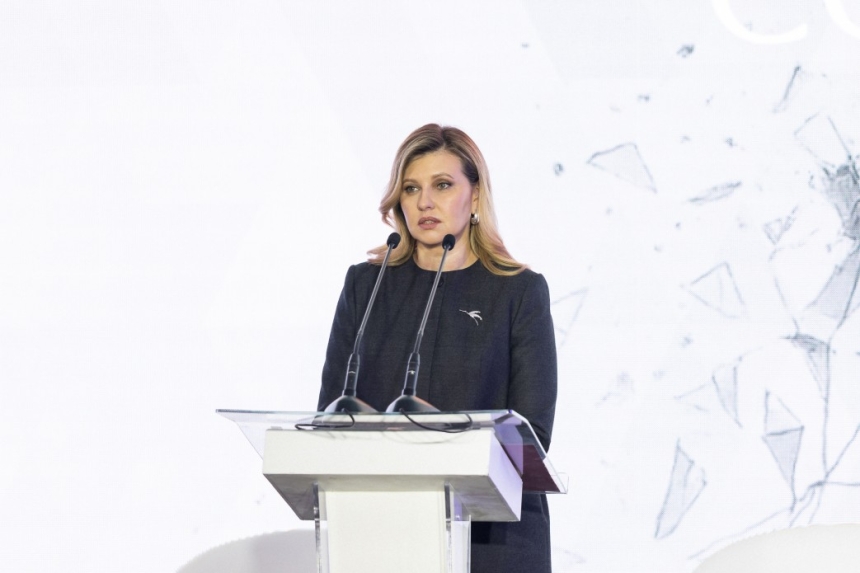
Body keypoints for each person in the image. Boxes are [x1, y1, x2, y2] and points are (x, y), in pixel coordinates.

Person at [317, 123, 558, 572]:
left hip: (494, 539)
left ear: (476, 196)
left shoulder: (518, 291)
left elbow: (532, 434)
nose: (424, 201)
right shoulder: (367, 287)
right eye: (411, 188)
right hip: (382, 534)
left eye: (442, 185)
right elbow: (331, 415)